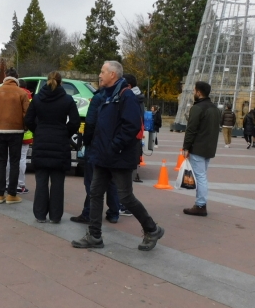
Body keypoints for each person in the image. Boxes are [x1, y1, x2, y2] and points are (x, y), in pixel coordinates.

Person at [72, 61, 164, 251]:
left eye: (103, 72)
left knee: (126, 197)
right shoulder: (106, 95)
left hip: (118, 157)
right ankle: (94, 235)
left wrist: (114, 147)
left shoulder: (126, 95)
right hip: (103, 156)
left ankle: (152, 229)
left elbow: (130, 126)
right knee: (95, 193)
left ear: (113, 74)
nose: (100, 75)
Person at [25, 71, 79, 222]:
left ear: (46, 81)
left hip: (41, 141)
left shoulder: (37, 99)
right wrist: (64, 132)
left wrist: (38, 130)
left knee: (41, 181)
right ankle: (55, 216)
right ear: (61, 83)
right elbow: (74, 122)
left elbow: (28, 119)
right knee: (58, 183)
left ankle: (40, 214)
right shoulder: (67, 100)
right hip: (60, 143)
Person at [70, 85, 123, 225]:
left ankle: (89, 213)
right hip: (112, 145)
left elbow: (90, 122)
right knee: (111, 180)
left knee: (92, 182)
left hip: (95, 144)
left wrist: (86, 142)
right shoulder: (120, 97)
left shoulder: (98, 98)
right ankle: (114, 213)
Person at [0, 68, 30, 204]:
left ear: (5, 76)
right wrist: (24, 128)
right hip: (16, 132)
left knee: (1, 162)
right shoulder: (21, 93)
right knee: (14, 162)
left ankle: (0, 194)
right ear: (17, 77)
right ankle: (11, 194)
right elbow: (27, 114)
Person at [182, 81, 221, 217]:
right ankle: (200, 203)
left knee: (200, 177)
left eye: (194, 90)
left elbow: (191, 129)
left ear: (199, 92)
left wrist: (186, 147)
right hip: (209, 147)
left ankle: (200, 205)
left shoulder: (198, 108)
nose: (193, 92)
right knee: (202, 175)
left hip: (198, 147)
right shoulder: (215, 109)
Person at [11, 79, 33, 194]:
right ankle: (20, 185)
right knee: (22, 158)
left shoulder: (14, 94)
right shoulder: (29, 96)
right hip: (26, 132)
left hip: (13, 130)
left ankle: (8, 183)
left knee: (11, 159)